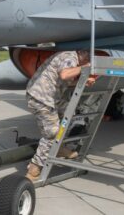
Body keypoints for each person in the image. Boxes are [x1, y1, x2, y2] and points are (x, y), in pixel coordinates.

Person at [25, 49, 96, 182]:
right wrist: (86, 67)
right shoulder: (70, 58)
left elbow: (64, 80)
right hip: (41, 98)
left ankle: (58, 148)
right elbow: (64, 75)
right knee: (52, 133)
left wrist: (85, 81)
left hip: (52, 98)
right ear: (85, 58)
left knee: (69, 114)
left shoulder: (72, 60)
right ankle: (34, 168)